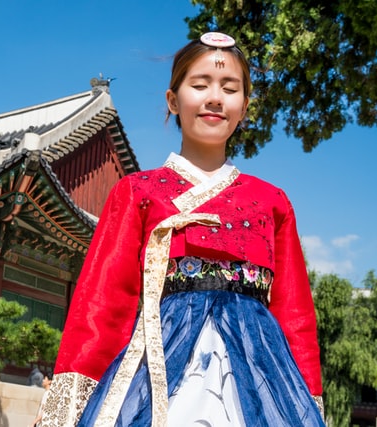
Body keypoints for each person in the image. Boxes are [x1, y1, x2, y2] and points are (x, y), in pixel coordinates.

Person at [40, 32, 325, 426]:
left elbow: (294, 314)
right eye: (200, 84)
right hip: (162, 366)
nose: (214, 98)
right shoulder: (137, 192)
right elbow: (102, 305)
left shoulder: (272, 202)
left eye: (230, 88)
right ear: (173, 100)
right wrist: (69, 403)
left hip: (262, 375)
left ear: (244, 107)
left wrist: (306, 397)